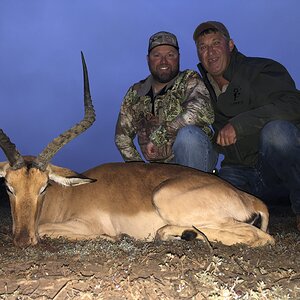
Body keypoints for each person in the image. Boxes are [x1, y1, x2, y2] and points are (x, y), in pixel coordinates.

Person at [193, 21, 300, 230]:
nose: (210, 52)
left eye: (216, 43)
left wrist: (239, 125)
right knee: (217, 206)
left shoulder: (261, 69)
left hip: (273, 171)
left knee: (277, 133)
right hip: (236, 171)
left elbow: (293, 103)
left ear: (230, 45)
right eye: (203, 47)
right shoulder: (199, 87)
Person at [115, 31, 218, 172]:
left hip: (194, 158)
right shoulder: (135, 93)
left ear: (178, 58)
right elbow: (122, 137)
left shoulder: (189, 79)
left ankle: (194, 188)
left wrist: (159, 136)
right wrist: (139, 168)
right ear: (148, 59)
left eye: (170, 55)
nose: (164, 61)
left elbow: (201, 111)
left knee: (188, 136)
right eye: (157, 55)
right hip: (158, 168)